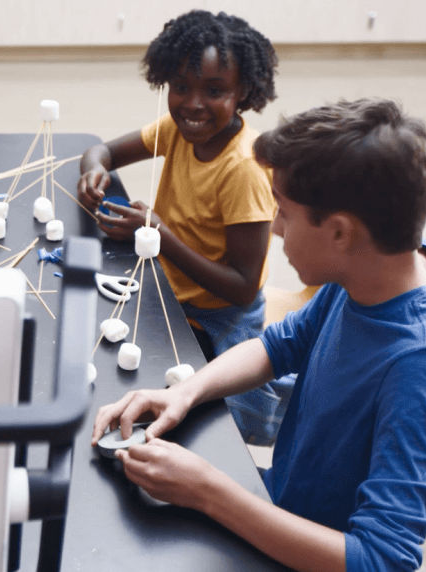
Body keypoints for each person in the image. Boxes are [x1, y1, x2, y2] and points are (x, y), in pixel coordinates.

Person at [91, 99, 426, 572]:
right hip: (280, 502)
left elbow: (384, 560)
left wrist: (210, 491)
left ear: (339, 233)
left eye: (285, 214)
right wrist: (183, 393)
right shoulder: (372, 271)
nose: (273, 227)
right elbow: (277, 346)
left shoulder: (420, 363)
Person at [77, 10, 284, 444]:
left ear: (243, 91)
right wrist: (93, 172)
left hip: (220, 317)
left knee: (203, 427)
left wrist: (160, 235)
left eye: (214, 91)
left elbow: (243, 288)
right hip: (169, 293)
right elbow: (101, 151)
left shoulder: (242, 170)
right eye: (181, 87)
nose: (193, 104)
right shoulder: (176, 130)